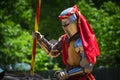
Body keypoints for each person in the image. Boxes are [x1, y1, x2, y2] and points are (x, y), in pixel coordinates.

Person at [33, 5, 100, 80]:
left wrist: (67, 74)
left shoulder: (82, 41)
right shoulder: (64, 39)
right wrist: (40, 39)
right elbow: (52, 52)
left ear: (76, 22)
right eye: (63, 25)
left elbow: (87, 67)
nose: (65, 27)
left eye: (67, 24)